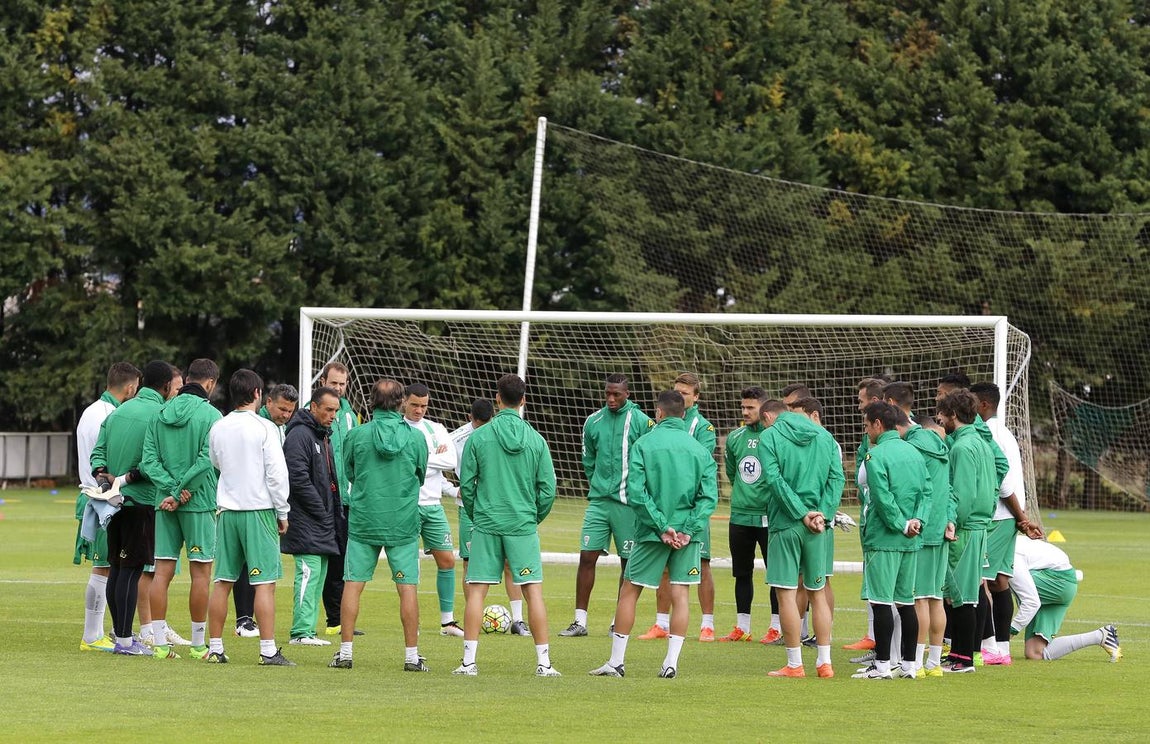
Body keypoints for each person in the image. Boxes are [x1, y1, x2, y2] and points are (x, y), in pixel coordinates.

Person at [590, 390, 718, 679]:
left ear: (658, 413)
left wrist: (661, 526)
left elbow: (636, 492)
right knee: (681, 594)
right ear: (683, 414)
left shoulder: (644, 443)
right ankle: (670, 663)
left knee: (630, 590)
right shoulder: (699, 450)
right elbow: (709, 497)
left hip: (651, 533)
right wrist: (687, 530)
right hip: (686, 536)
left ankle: (616, 662)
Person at [454, 374, 559, 677]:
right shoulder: (536, 440)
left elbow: (467, 485)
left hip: (487, 523)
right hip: (521, 525)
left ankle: (469, 663)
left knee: (477, 591)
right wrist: (532, 517)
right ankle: (544, 663)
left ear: (497, 398)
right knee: (533, 591)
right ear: (523, 400)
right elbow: (548, 489)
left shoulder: (478, 437)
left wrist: (477, 514)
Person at [329, 379, 428, 671]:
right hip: (402, 520)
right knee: (407, 587)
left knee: (353, 584)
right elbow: (420, 474)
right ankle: (411, 657)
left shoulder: (356, 435)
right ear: (401, 402)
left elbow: (349, 472)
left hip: (365, 518)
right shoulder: (416, 437)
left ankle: (345, 653)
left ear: (371, 401)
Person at [205, 369, 293, 665]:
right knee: (264, 582)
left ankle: (215, 648)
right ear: (257, 393)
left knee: (223, 581)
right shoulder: (265, 428)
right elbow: (276, 474)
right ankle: (267, 650)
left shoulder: (219, 426)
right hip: (258, 510)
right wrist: (283, 511)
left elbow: (215, 462)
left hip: (227, 511)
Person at [139, 358, 222, 660]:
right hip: (198, 502)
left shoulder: (160, 413)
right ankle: (198, 645)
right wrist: (180, 490)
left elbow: (148, 461)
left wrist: (171, 490)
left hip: (165, 503)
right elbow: (206, 460)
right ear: (210, 383)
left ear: (187, 379)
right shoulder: (212, 415)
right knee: (201, 573)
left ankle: (160, 644)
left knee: (161, 572)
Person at [560, 374, 653, 637]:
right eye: (608, 394)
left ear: (627, 394)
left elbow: (650, 459)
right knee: (586, 556)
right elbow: (588, 459)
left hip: (628, 505)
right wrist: (598, 484)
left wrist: (638, 491)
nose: (611, 399)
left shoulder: (642, 422)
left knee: (628, 563)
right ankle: (579, 621)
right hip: (599, 502)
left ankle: (616, 622)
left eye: (617, 394)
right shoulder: (593, 421)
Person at [91, 362, 172, 656]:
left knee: (116, 567)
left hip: (112, 502)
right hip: (141, 501)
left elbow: (97, 454)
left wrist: (104, 477)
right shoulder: (159, 415)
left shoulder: (117, 412)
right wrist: (128, 478)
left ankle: (121, 636)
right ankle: (125, 640)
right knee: (131, 569)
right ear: (166, 387)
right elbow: (152, 463)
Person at [759, 402, 845, 679]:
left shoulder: (769, 436)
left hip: (786, 522)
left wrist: (800, 512)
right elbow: (837, 479)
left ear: (770, 417)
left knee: (785, 594)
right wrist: (823, 514)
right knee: (817, 593)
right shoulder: (826, 437)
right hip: (818, 525)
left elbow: (774, 480)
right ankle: (824, 662)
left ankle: (795, 664)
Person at [851, 402, 928, 680]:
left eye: (867, 425)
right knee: (906, 602)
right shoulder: (915, 453)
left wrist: (900, 524)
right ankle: (909, 665)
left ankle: (883, 665)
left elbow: (882, 498)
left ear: (878, 424)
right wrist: (917, 520)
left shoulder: (875, 455)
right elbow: (927, 493)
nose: (866, 431)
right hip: (910, 540)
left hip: (884, 538)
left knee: (880, 602)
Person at [639, 372, 718, 642]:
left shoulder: (703, 427)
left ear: (696, 397)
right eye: (677, 392)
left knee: (702, 564)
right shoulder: (660, 425)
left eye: (685, 393)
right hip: (665, 507)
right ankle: (661, 623)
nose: (681, 397)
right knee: (664, 565)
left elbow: (703, 465)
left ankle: (707, 624)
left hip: (692, 509)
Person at [971, 381, 1043, 665]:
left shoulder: (988, 433)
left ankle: (987, 646)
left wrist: (1022, 518)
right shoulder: (1004, 432)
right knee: (1000, 581)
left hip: (1000, 515)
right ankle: (1001, 649)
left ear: (984, 405)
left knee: (980, 580)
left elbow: (1002, 483)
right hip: (1008, 516)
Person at [445, 400, 531, 635]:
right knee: (469, 563)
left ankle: (518, 620)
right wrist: (452, 490)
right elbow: (431, 467)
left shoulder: (499, 434)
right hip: (470, 508)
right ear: (470, 419)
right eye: (479, 424)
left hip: (500, 506)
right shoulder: (455, 439)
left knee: (510, 562)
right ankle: (472, 617)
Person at [885, 380, 953, 677]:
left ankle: (914, 662)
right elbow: (948, 488)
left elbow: (912, 488)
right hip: (941, 527)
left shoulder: (913, 446)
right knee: (936, 597)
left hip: (922, 528)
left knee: (919, 598)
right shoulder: (940, 444)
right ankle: (934, 663)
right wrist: (950, 517)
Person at [74, 362, 140, 652]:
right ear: (130, 387)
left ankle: (110, 630)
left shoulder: (92, 410)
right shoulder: (110, 415)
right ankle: (92, 635)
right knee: (103, 567)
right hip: (102, 498)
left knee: (110, 567)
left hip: (96, 495)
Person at [936, 389, 998, 673]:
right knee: (969, 593)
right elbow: (993, 486)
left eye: (942, 414)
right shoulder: (982, 443)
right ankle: (961, 655)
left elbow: (962, 494)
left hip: (966, 528)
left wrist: (953, 522)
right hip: (980, 526)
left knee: (961, 596)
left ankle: (963, 659)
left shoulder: (961, 447)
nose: (940, 420)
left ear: (953, 414)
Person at [402, 383, 464, 637]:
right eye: (415, 405)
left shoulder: (436, 428)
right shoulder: (398, 428)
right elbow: (400, 463)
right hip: (407, 505)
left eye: (424, 406)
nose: (419, 410)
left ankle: (447, 622)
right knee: (410, 567)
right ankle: (412, 622)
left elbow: (450, 460)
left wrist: (419, 459)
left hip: (433, 506)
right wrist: (431, 458)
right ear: (404, 401)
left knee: (447, 560)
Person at [281, 387, 341, 646]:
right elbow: (297, 478)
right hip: (306, 519)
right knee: (308, 572)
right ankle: (300, 632)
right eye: (328, 410)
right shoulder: (299, 435)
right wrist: (321, 509)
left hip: (321, 519)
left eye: (335, 411)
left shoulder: (321, 435)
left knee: (318, 574)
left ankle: (308, 630)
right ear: (314, 407)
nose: (333, 415)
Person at [1008, 535, 1121, 662]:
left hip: (1058, 582)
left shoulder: (1011, 554)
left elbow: (1030, 602)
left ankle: (995, 643)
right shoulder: (1006, 544)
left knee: (1004, 580)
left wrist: (1006, 637)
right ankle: (1100, 635)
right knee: (1034, 653)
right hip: (1062, 583)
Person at [717, 388, 771, 643]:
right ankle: (742, 627)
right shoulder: (735, 438)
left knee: (776, 575)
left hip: (769, 516)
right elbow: (732, 472)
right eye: (743, 407)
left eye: (751, 407)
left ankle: (776, 627)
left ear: (764, 408)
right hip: (740, 516)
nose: (745, 412)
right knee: (741, 573)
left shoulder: (774, 436)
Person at [842, 376, 888, 653]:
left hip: (888, 519)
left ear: (874, 400)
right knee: (873, 575)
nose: (858, 406)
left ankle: (889, 650)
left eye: (861, 401)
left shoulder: (897, 435)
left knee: (890, 582)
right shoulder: (868, 436)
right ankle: (875, 638)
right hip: (871, 512)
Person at [317, 362, 359, 637]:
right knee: (328, 559)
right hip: (325, 498)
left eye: (342, 384)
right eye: (334, 383)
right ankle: (333, 619)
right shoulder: (314, 412)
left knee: (344, 559)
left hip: (347, 499)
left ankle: (340, 619)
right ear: (323, 381)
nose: (339, 388)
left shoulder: (350, 415)